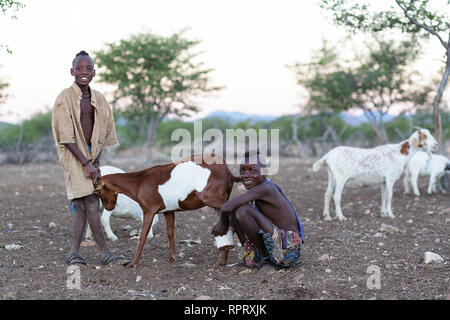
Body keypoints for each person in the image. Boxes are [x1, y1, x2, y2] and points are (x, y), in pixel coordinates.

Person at [51, 50, 124, 265]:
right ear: (72, 71)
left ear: (94, 72)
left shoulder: (99, 99)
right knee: (91, 201)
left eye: (88, 68)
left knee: (83, 205)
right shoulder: (64, 98)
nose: (84, 72)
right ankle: (105, 253)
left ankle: (74, 252)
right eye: (79, 68)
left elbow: (104, 132)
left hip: (91, 156)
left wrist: (95, 161)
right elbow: (65, 136)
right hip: (74, 155)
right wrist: (85, 163)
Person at [211, 151, 305, 269]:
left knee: (242, 211)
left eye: (252, 171)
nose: (246, 175)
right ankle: (253, 257)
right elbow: (230, 208)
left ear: (265, 173)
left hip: (287, 251)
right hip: (279, 246)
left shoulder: (266, 188)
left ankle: (264, 259)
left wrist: (223, 223)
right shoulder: (262, 188)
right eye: (242, 171)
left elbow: (226, 207)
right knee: (236, 212)